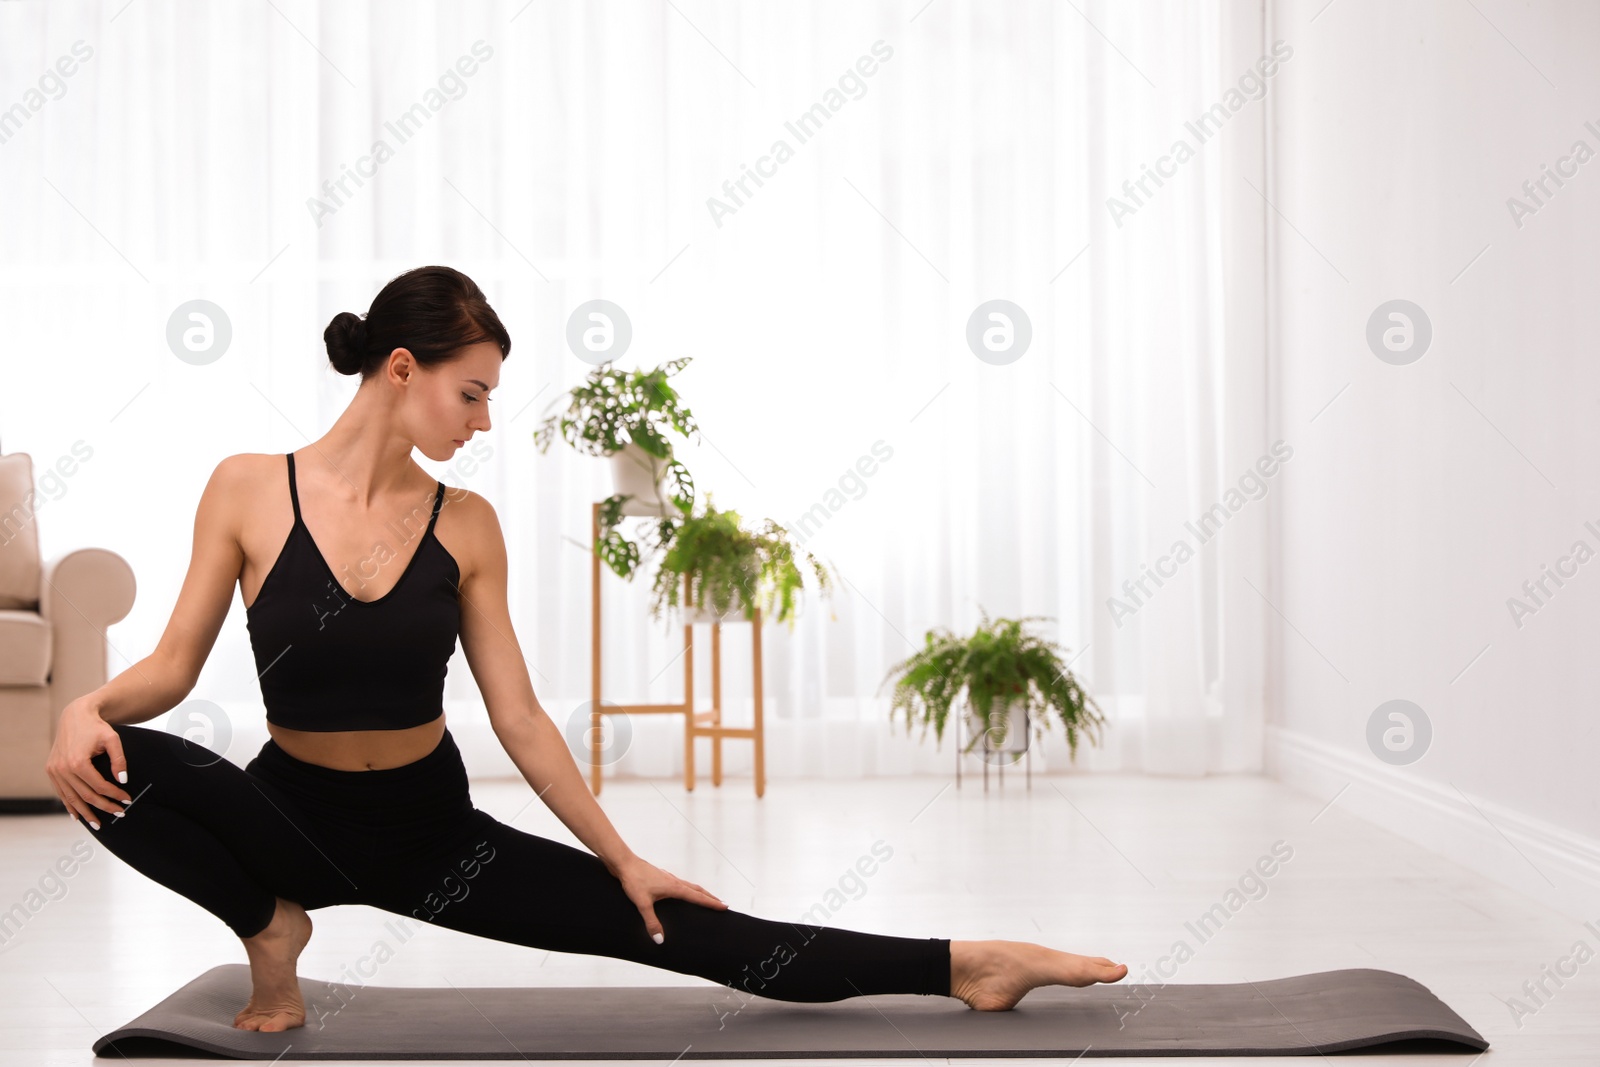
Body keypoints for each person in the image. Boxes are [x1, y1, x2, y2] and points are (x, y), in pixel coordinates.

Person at [45, 265, 1127, 1033]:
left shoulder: (465, 523)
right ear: (402, 369)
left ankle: (967, 962)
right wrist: (83, 704)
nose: (481, 420)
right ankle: (268, 922)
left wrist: (623, 858)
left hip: (431, 833)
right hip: (289, 817)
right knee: (103, 754)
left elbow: (516, 713)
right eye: (471, 392)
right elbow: (174, 667)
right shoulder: (247, 485)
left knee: (706, 935)